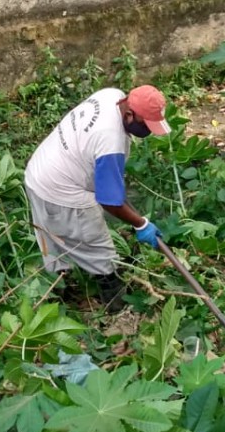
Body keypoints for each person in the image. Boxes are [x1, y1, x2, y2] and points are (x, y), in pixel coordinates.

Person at [24, 85, 171, 310]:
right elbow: (110, 202)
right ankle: (114, 305)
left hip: (40, 172)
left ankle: (60, 290)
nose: (147, 131)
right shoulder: (110, 139)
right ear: (129, 114)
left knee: (52, 238)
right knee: (97, 246)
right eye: (144, 125)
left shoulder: (111, 95)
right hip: (62, 190)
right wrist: (141, 225)